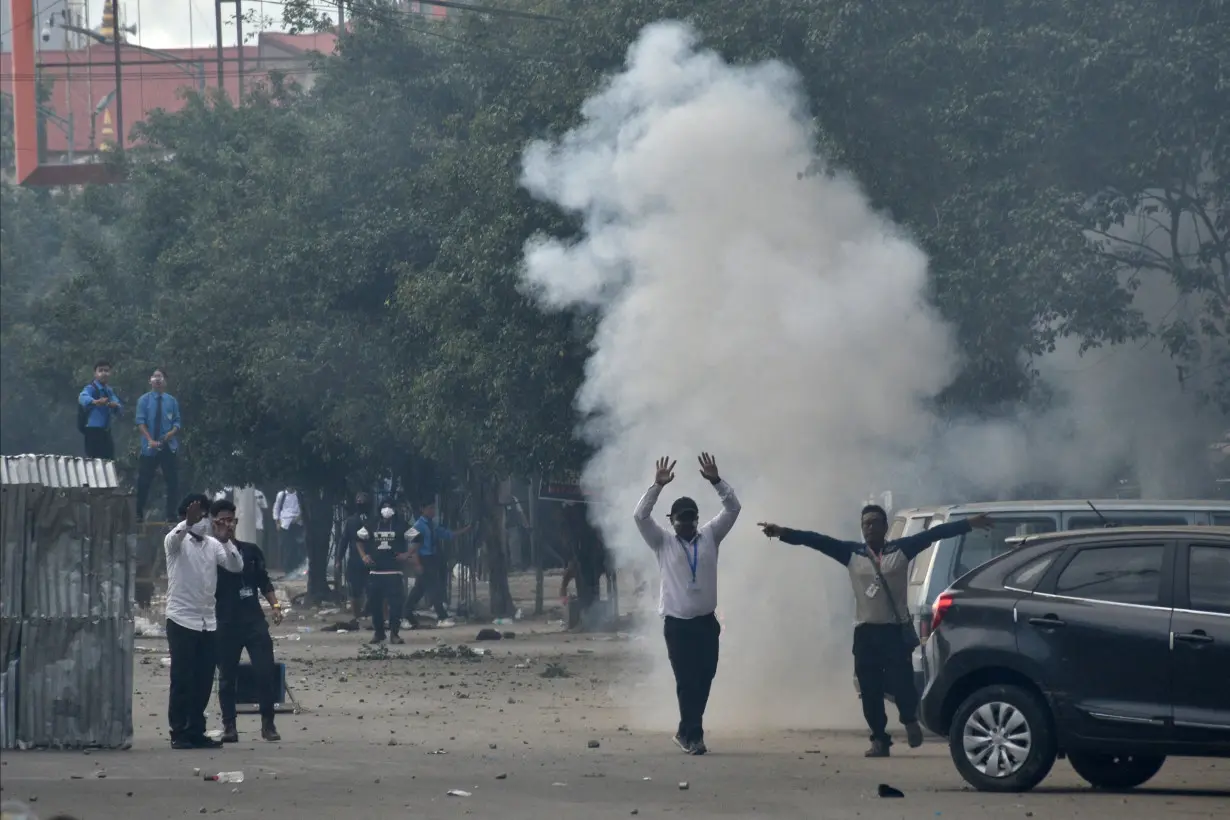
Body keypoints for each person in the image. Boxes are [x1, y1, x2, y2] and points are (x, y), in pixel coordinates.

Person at [758, 506, 993, 757]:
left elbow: (935, 534)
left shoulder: (902, 549)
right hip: (866, 633)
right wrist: (783, 532)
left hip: (894, 632)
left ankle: (909, 719)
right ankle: (879, 739)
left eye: (874, 523)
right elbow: (816, 540)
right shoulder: (851, 553)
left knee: (902, 684)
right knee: (869, 690)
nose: (869, 528)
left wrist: (968, 523)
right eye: (865, 524)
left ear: (884, 527)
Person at [633, 453, 741, 755]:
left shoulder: (710, 536)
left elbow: (733, 508)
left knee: (705, 676)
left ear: (697, 519)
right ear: (672, 521)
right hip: (677, 625)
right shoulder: (662, 542)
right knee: (686, 680)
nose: (687, 524)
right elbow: (640, 517)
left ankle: (685, 729)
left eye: (691, 519)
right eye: (681, 520)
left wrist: (717, 482)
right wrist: (657, 486)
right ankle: (695, 736)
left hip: (706, 623)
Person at [164, 493, 243, 749]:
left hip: (208, 622)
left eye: (204, 515)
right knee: (182, 678)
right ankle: (179, 732)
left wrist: (227, 539)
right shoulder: (175, 541)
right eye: (197, 516)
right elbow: (175, 539)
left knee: (204, 680)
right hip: (181, 619)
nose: (201, 521)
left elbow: (235, 566)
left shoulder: (213, 545)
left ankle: (196, 730)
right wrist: (186, 523)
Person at [212, 498, 284, 743]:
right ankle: (229, 726)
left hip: (253, 620)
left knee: (265, 671)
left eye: (230, 520)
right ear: (213, 523)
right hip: (225, 622)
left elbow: (263, 581)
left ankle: (268, 724)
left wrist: (275, 605)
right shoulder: (210, 554)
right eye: (222, 521)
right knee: (227, 677)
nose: (227, 525)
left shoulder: (251, 551)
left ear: (236, 522)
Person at [356, 500, 416, 644]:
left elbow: (418, 538)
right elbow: (358, 539)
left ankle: (394, 634)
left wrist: (407, 554)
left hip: (394, 572)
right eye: (384, 507)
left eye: (390, 507)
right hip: (375, 572)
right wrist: (364, 556)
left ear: (394, 509)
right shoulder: (372, 524)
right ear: (379, 509)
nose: (387, 509)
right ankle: (379, 633)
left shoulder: (401, 525)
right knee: (375, 606)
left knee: (396, 605)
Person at [405, 499, 470, 628]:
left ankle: (405, 613)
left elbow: (446, 534)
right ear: (422, 509)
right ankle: (442, 616)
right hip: (423, 559)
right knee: (433, 588)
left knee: (419, 590)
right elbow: (411, 546)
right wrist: (416, 563)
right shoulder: (417, 526)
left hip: (432, 559)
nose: (432, 511)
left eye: (434, 508)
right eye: (430, 508)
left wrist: (465, 530)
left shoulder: (432, 524)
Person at [134, 368, 182, 522]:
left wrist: (172, 433)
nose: (157, 379)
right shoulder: (143, 400)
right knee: (144, 480)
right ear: (150, 380)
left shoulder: (172, 401)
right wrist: (150, 440)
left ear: (165, 381)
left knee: (172, 481)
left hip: (167, 445)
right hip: (149, 447)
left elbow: (177, 422)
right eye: (154, 376)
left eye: (160, 376)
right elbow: (140, 423)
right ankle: (138, 513)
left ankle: (171, 515)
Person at [336, 492, 372, 624]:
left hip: (371, 559)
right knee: (355, 590)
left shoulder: (374, 520)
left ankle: (368, 611)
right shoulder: (351, 521)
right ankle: (357, 616)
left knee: (372, 588)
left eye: (364, 501)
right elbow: (344, 541)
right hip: (355, 560)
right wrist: (338, 559)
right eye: (359, 501)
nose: (361, 503)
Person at [77, 359, 122, 459]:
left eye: (106, 371)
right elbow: (82, 397)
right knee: (94, 462)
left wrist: (115, 405)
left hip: (105, 432)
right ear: (95, 373)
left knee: (109, 460)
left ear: (110, 373)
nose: (104, 373)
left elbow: (118, 405)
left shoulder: (109, 391)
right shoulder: (91, 388)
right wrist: (96, 402)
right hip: (92, 431)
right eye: (100, 371)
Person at [272, 486, 306, 571]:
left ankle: (296, 567)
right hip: (285, 524)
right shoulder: (281, 495)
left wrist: (299, 517)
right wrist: (277, 522)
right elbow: (276, 508)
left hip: (297, 523)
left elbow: (303, 508)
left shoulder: (299, 494)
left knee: (297, 546)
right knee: (287, 547)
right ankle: (287, 569)